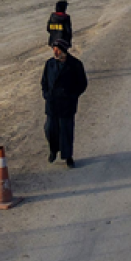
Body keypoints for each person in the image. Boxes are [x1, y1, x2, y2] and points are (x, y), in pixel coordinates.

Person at [41, 38, 88, 167]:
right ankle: (53, 150)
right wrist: (46, 94)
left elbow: (82, 84)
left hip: (67, 104)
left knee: (66, 131)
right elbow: (44, 81)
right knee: (50, 129)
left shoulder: (75, 64)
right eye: (54, 49)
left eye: (58, 50)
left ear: (64, 50)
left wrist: (71, 96)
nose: (55, 52)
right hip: (52, 103)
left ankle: (68, 157)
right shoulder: (49, 64)